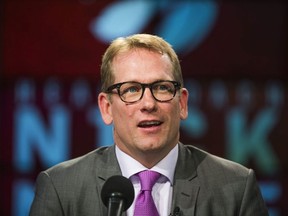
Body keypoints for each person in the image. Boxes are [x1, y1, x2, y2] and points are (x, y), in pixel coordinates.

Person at [29, 33, 268, 216]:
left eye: (162, 88)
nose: (148, 103)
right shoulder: (60, 188)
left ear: (182, 103)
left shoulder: (236, 188)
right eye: (131, 90)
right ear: (106, 107)